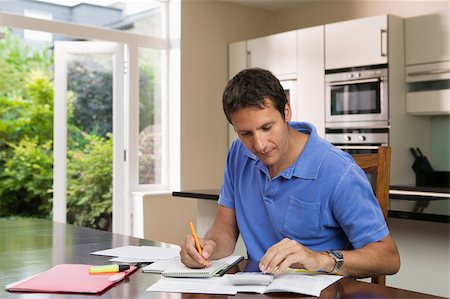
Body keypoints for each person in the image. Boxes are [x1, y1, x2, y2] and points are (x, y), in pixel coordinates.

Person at [180, 67, 400, 278]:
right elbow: (224, 229)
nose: (260, 145)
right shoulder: (239, 154)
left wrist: (320, 259)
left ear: (286, 112)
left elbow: (388, 258)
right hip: (257, 291)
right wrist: (208, 248)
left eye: (267, 127)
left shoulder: (338, 171)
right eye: (246, 133)